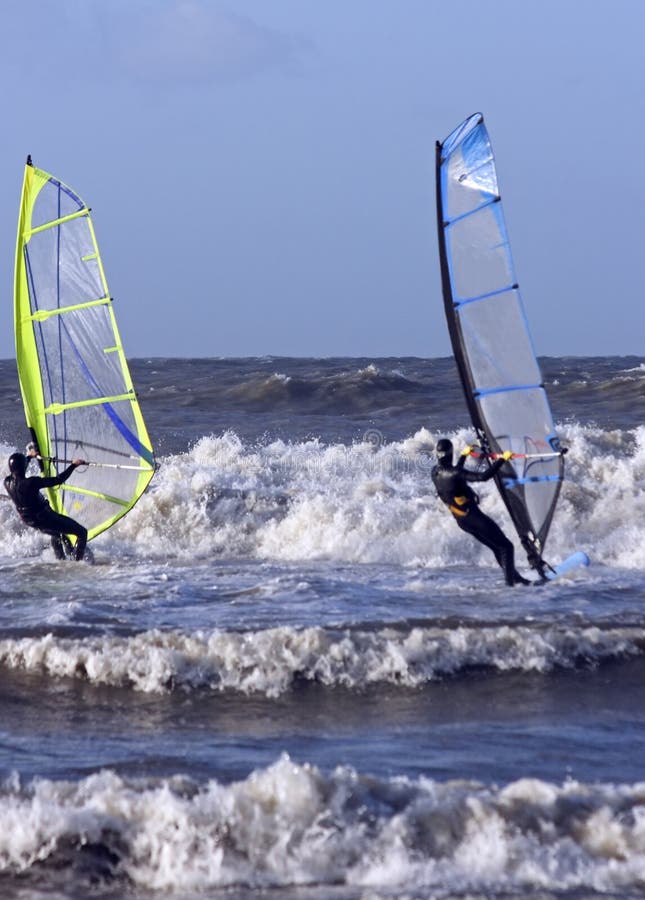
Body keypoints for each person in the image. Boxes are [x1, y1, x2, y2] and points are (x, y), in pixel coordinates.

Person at [431, 438, 530, 586]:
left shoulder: (435, 472)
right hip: (473, 517)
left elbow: (455, 475)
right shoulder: (456, 473)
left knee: (498, 547)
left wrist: (464, 456)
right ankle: (510, 586)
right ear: (450, 454)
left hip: (462, 521)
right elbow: (483, 477)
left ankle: (515, 578)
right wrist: (502, 459)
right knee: (506, 547)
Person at [4, 449, 88, 561]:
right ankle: (78, 563)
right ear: (23, 467)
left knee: (58, 534)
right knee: (82, 532)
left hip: (30, 521)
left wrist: (29, 457)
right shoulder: (31, 483)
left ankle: (61, 560)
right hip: (45, 518)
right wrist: (73, 465)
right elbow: (58, 480)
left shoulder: (7, 482)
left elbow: (18, 470)